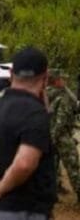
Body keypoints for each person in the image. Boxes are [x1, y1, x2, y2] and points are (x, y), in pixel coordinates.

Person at [0, 47, 56, 219]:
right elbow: (24, 164)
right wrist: (2, 188)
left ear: (12, 73)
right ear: (45, 77)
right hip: (26, 208)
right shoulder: (34, 113)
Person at [46, 68, 80, 202]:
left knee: (52, 167)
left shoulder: (45, 94)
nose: (65, 81)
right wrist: (55, 137)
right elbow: (61, 121)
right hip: (61, 136)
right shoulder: (63, 96)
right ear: (56, 81)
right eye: (62, 79)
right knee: (73, 166)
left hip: (48, 136)